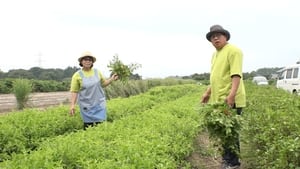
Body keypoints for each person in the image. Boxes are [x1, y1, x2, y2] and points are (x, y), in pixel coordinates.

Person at [201, 25, 246, 169]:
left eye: (218, 35)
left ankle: (233, 164)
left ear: (225, 37)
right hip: (218, 100)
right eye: (212, 36)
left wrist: (231, 95)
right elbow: (216, 77)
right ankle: (227, 159)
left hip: (230, 99)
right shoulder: (215, 55)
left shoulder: (234, 51)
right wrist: (207, 93)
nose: (215, 38)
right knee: (223, 131)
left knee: (230, 132)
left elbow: (236, 75)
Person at [69, 51, 118, 130]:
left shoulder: (97, 72)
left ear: (92, 62)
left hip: (99, 104)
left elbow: (103, 84)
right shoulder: (77, 75)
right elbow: (74, 91)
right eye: (85, 59)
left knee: (102, 127)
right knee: (88, 127)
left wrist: (112, 79)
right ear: (81, 61)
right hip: (87, 106)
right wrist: (72, 105)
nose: (88, 61)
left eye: (90, 60)